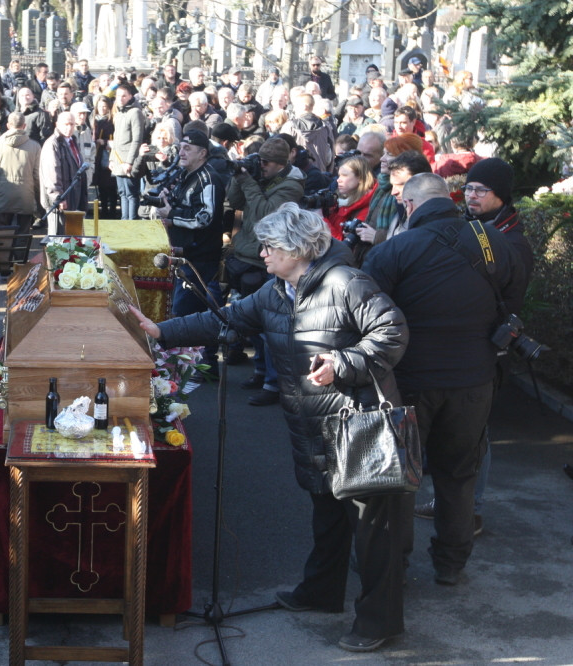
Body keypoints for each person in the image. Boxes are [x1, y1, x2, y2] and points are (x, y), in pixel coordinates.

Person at [132, 202, 409, 653]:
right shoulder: (277, 290)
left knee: (371, 528)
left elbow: (392, 331)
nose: (260, 253)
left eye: (269, 245)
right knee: (327, 511)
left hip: (359, 422)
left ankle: (380, 621)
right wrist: (160, 331)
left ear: (299, 248)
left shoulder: (346, 281)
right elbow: (225, 319)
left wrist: (342, 363)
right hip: (314, 422)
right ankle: (321, 592)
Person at [362, 173, 523, 586]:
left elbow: (365, 314)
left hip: (410, 381)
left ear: (411, 206)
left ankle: (393, 565)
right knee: (458, 475)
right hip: (474, 380)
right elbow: (514, 297)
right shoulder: (493, 242)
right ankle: (452, 563)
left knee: (399, 478)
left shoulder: (397, 248)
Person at [414, 159, 534, 530]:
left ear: (501, 195)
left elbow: (509, 299)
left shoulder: (512, 241)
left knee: (475, 435)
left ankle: (471, 511)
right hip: (462, 347)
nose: (472, 196)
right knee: (462, 435)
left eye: (482, 190)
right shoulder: (475, 227)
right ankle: (456, 506)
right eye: (469, 188)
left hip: (483, 349)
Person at [225, 137, 306, 405]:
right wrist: (239, 176)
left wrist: (249, 181)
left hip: (269, 263)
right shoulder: (261, 178)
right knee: (254, 324)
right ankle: (260, 371)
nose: (262, 166)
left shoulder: (291, 186)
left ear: (282, 164)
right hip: (248, 256)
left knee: (270, 326)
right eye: (260, 161)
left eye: (266, 162)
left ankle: (274, 384)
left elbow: (264, 215)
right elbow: (234, 200)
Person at [152, 131, 225, 367]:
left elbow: (204, 218)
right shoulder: (186, 174)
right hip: (184, 253)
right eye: (181, 147)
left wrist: (171, 215)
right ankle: (186, 362)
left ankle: (204, 363)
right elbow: (182, 206)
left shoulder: (208, 179)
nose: (181, 152)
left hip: (199, 257)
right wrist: (166, 203)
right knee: (183, 308)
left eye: (188, 148)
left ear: (203, 153)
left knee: (191, 309)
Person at [0, 111, 41, 235]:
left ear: (8, 125)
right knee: (23, 233)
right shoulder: (35, 146)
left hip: (2, 193)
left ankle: (1, 254)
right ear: (24, 126)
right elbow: (37, 176)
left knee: (0, 233)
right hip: (26, 194)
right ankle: (20, 254)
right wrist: (36, 195)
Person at [39, 111, 88, 235]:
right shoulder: (53, 143)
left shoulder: (72, 140)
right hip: (59, 200)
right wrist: (58, 197)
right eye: (66, 124)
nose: (69, 127)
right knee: (57, 238)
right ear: (57, 124)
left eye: (72, 124)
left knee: (71, 237)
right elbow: (52, 174)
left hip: (73, 197)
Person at [111, 84, 146, 219]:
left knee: (131, 193)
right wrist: (112, 159)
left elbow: (136, 139)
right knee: (122, 193)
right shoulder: (119, 113)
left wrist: (129, 162)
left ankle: (131, 222)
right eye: (118, 95)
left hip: (128, 160)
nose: (120, 98)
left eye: (124, 95)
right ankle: (124, 220)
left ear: (130, 96)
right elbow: (115, 139)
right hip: (118, 159)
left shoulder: (135, 112)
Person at [326, 156, 378, 241]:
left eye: (344, 175)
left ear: (361, 178)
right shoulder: (339, 199)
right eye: (339, 175)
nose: (338, 180)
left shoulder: (367, 207)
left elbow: (341, 244)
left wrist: (321, 220)